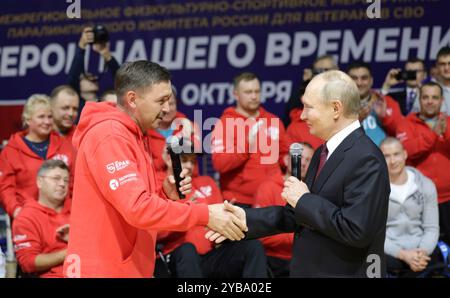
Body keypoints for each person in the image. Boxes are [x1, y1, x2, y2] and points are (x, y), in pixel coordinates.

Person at [63, 61, 247, 278]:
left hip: (126, 268)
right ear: (132, 99)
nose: (168, 109)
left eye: (168, 100)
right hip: (102, 269)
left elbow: (129, 205)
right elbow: (138, 209)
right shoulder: (110, 136)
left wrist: (163, 195)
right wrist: (205, 214)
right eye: (161, 101)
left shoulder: (135, 133)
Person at [208, 70, 391, 277]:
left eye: (309, 107)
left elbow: (356, 230)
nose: (302, 115)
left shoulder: (366, 158)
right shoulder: (323, 153)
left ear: (335, 108)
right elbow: (296, 215)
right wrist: (243, 218)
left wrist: (304, 199)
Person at [155, 147, 268, 278]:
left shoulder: (206, 182)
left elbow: (219, 225)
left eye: (193, 161)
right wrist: (185, 212)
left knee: (253, 246)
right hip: (176, 255)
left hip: (209, 255)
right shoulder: (158, 184)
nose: (190, 166)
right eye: (185, 160)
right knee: (188, 250)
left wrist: (228, 217)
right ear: (170, 160)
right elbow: (155, 231)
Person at [211, 72, 289, 207]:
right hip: (240, 202)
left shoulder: (273, 120)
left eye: (257, 91)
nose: (254, 96)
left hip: (272, 199)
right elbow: (219, 163)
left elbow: (283, 156)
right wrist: (246, 145)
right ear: (236, 94)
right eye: (248, 92)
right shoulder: (225, 124)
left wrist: (288, 160)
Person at [0, 94, 75, 219]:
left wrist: (73, 210)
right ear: (28, 120)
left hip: (64, 216)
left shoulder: (64, 145)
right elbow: (5, 188)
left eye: (50, 117)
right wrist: (16, 210)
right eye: (41, 117)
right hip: (28, 217)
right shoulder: (11, 151)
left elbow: (74, 182)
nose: (47, 121)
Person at [395, 81, 450, 245]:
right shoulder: (405, 123)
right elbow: (408, 150)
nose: (430, 101)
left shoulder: (448, 122)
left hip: (448, 197)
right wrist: (433, 135)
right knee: (423, 244)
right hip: (418, 198)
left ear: (442, 101)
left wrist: (445, 134)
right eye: (425, 97)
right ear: (419, 100)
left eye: (435, 97)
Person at [379, 137, 440, 278]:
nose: (393, 161)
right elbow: (376, 233)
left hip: (422, 251)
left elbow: (431, 227)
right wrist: (403, 255)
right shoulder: (374, 191)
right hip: (390, 252)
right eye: (386, 156)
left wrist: (421, 252)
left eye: (396, 154)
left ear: (405, 154)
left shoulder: (425, 185)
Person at [253, 142, 314, 277]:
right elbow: (260, 234)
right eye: (298, 157)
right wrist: (298, 237)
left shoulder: (313, 192)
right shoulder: (268, 187)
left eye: (308, 160)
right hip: (273, 260)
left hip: (305, 260)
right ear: (287, 160)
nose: (302, 163)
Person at [12, 160, 71, 278]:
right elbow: (28, 263)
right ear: (39, 182)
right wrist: (69, 252)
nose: (62, 184)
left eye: (66, 180)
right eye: (56, 178)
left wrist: (74, 238)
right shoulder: (26, 217)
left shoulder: (79, 208)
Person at [68, 27, 120, 117]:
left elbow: (121, 79)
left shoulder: (105, 103)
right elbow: (73, 76)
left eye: (93, 77)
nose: (93, 78)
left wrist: (106, 55)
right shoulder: (77, 105)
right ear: (79, 84)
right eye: (86, 77)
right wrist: (82, 46)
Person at [146, 85, 200, 174]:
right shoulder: (145, 131)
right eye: (162, 104)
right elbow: (145, 169)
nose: (168, 109)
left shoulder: (188, 126)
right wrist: (163, 159)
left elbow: (193, 165)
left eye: (171, 104)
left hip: (187, 182)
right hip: (158, 184)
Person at [347, 61, 402, 145]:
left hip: (382, 155)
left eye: (364, 78)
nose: (359, 83)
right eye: (354, 78)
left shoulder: (386, 101)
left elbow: (399, 132)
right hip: (352, 156)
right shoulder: (339, 105)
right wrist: (358, 119)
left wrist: (385, 117)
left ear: (371, 81)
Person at [283, 55, 339, 127]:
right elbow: (291, 118)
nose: (323, 74)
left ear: (337, 70)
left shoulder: (347, 91)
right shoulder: (304, 94)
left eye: (327, 70)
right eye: (318, 71)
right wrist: (305, 84)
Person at [434, 46, 450, 113]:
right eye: (442, 64)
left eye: (449, 64)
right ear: (437, 66)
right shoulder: (427, 90)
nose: (446, 68)